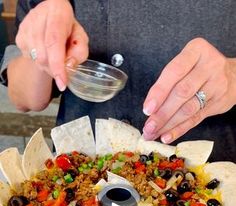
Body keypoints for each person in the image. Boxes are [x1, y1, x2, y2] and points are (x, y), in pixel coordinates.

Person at [1, 0, 236, 162]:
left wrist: (232, 74)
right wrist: (43, 49)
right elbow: (25, 98)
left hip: (212, 188)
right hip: (78, 188)